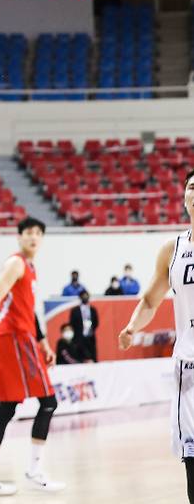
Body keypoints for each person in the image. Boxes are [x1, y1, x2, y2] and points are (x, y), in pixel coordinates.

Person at [119, 169, 194, 503]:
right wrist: (133, 326)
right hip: (188, 366)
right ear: (184, 198)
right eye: (192, 187)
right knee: (192, 456)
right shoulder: (172, 249)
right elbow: (150, 299)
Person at [0, 217, 65, 497]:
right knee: (48, 402)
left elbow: (30, 311)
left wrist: (44, 342)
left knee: (8, 408)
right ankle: (34, 471)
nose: (34, 237)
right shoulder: (16, 264)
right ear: (19, 237)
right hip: (11, 339)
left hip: (24, 339)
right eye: (28, 233)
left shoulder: (31, 268)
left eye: (38, 233)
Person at [69, 290, 99, 362]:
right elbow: (72, 323)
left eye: (86, 296)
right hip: (79, 338)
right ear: (80, 297)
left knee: (92, 358)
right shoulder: (75, 310)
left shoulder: (93, 310)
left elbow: (96, 322)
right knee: (80, 358)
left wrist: (90, 329)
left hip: (90, 337)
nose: (85, 297)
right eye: (83, 296)